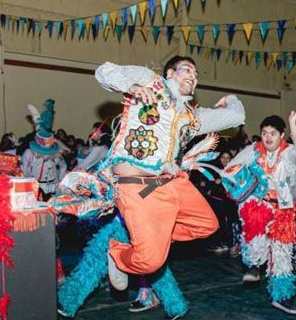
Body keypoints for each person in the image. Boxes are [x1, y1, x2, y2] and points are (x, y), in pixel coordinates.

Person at [94, 55, 245, 291]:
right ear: (170, 73)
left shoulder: (192, 117)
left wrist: (231, 99)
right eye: (187, 70)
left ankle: (152, 240)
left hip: (170, 182)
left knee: (206, 224)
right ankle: (119, 256)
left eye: (196, 75)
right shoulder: (149, 81)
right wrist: (132, 87)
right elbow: (104, 70)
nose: (193, 76)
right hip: (136, 186)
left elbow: (237, 117)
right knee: (149, 262)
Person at [222, 108, 296, 315]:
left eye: (273, 133)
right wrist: (242, 182)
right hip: (259, 204)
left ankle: (282, 297)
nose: (268, 137)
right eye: (264, 133)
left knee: (282, 257)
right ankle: (253, 264)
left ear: (281, 135)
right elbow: (230, 169)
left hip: (283, 211)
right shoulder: (252, 150)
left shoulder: (289, 153)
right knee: (254, 216)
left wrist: (293, 123)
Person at [21, 100, 68, 200]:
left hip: (54, 187)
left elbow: (63, 166)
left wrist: (61, 180)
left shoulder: (55, 153)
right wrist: (29, 184)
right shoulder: (29, 153)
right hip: (37, 187)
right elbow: (24, 170)